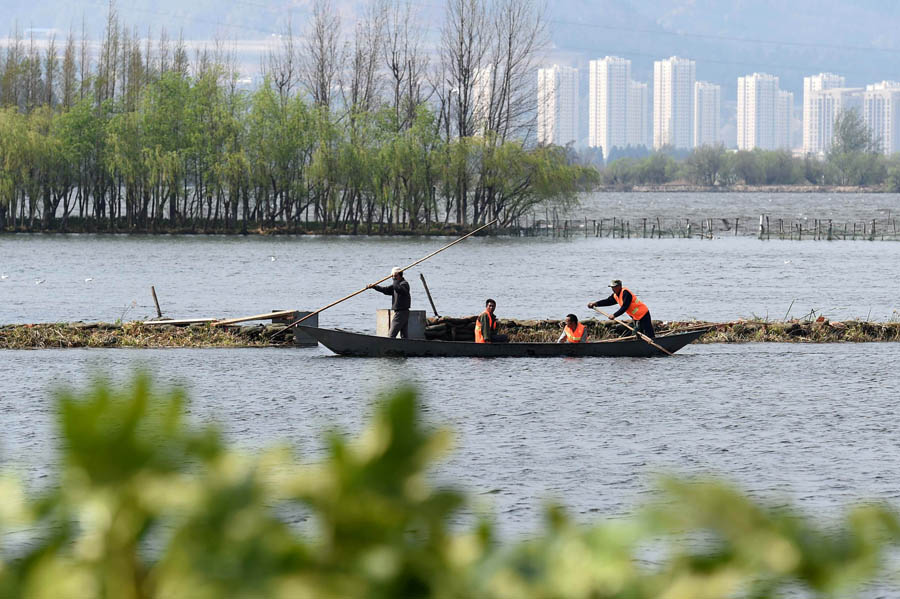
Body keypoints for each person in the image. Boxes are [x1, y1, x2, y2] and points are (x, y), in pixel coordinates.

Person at [588, 279, 655, 338]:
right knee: (638, 333)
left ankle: (653, 343)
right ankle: (640, 344)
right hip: (635, 317)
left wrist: (614, 315)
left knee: (648, 333)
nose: (613, 289)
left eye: (614, 287)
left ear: (619, 286)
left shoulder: (626, 293)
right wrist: (595, 304)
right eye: (612, 287)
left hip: (643, 314)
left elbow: (625, 307)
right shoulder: (615, 295)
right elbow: (608, 301)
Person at [369, 267, 411, 339]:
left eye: (394, 276)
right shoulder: (396, 285)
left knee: (391, 335)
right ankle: (406, 345)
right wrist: (374, 287)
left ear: (398, 275)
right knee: (404, 336)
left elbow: (399, 289)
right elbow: (385, 290)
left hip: (401, 313)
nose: (392, 278)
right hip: (401, 312)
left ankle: (389, 346)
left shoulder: (404, 284)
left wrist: (394, 279)